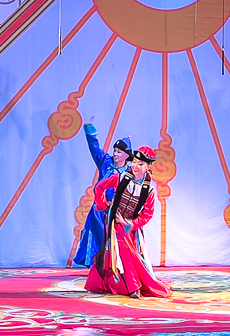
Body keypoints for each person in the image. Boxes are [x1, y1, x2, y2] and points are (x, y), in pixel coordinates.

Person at [84, 146, 172, 298]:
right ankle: (133, 286)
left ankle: (109, 284)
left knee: (128, 252)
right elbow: (99, 188)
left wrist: (129, 224)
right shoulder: (120, 178)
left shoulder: (149, 191)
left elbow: (147, 214)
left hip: (131, 228)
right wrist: (105, 206)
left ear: (148, 167)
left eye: (141, 164)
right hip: (114, 223)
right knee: (122, 247)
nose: (136, 166)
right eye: (135, 162)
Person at [73, 118, 132, 267]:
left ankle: (117, 267)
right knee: (98, 236)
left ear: (126, 155)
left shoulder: (129, 171)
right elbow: (94, 147)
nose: (115, 154)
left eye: (119, 152)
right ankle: (96, 266)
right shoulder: (106, 161)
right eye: (115, 151)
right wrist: (89, 130)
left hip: (118, 212)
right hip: (100, 209)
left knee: (119, 240)